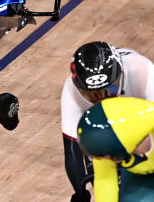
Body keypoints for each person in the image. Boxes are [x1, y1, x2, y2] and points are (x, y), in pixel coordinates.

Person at [62, 42, 154, 201]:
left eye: (109, 90)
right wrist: (81, 191)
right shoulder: (71, 91)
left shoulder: (143, 71)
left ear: (121, 76)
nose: (103, 100)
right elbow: (72, 149)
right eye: (92, 96)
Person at [77, 97, 154, 202]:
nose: (106, 159)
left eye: (111, 156)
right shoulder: (105, 144)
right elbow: (105, 180)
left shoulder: (110, 144)